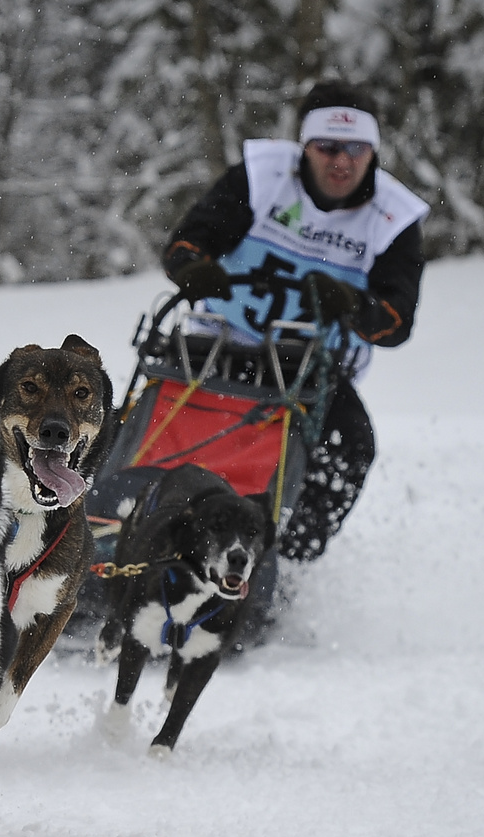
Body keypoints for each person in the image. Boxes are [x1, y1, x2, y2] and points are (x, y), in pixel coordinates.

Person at [162, 81, 429, 562]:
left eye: (356, 149)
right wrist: (196, 271)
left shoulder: (394, 217)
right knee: (148, 419)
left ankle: (288, 563)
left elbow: (397, 322)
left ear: (374, 153)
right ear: (304, 147)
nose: (341, 161)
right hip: (222, 344)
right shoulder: (263, 176)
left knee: (352, 446)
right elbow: (187, 243)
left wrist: (352, 304)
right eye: (327, 147)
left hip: (313, 369)